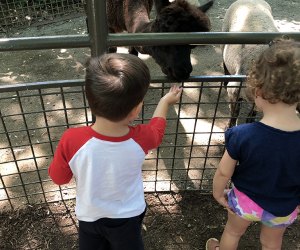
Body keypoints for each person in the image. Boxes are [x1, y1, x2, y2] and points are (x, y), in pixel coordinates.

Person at [48, 53, 182, 250]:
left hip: (90, 216)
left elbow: (59, 178)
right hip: (128, 216)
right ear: (136, 110)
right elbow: (157, 131)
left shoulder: (72, 139)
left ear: (90, 99)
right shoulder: (141, 137)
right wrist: (165, 102)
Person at [206, 38, 300, 250]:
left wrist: (218, 193)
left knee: (232, 232)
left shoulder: (242, 134)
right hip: (284, 207)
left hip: (245, 202)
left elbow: (223, 172)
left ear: (258, 92)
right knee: (271, 243)